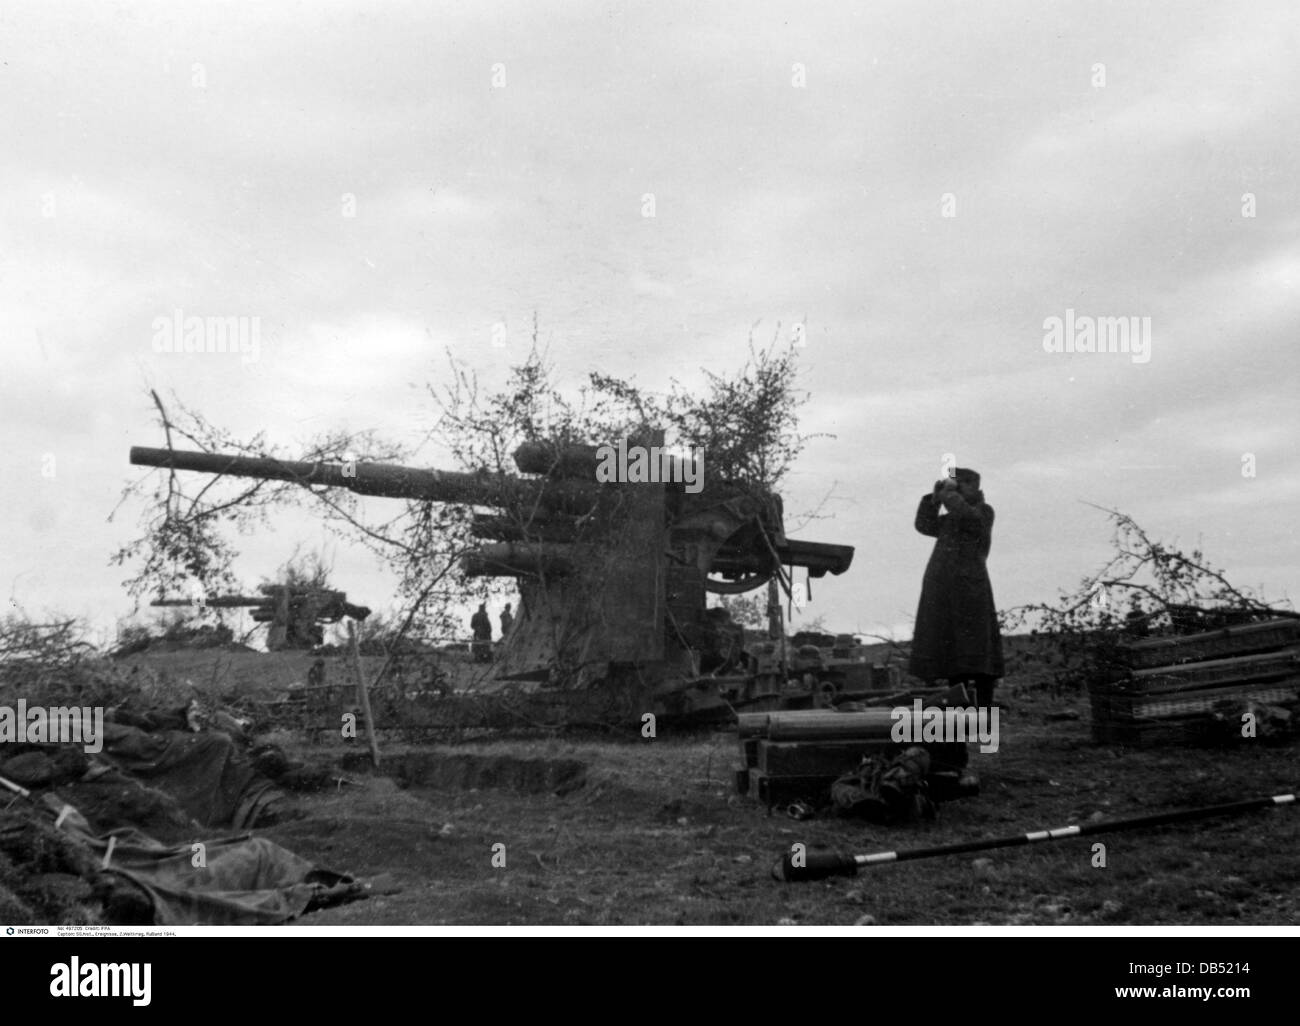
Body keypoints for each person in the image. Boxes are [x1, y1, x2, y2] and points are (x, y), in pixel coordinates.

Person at [909, 467, 1004, 709]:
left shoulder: (983, 512)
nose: (957, 491)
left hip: (972, 593)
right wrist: (933, 499)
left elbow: (968, 517)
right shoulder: (950, 519)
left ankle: (984, 723)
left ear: (976, 487)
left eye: (962, 485)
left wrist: (949, 496)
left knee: (981, 662)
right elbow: (923, 524)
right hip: (945, 593)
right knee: (954, 660)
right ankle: (960, 721)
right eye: (955, 485)